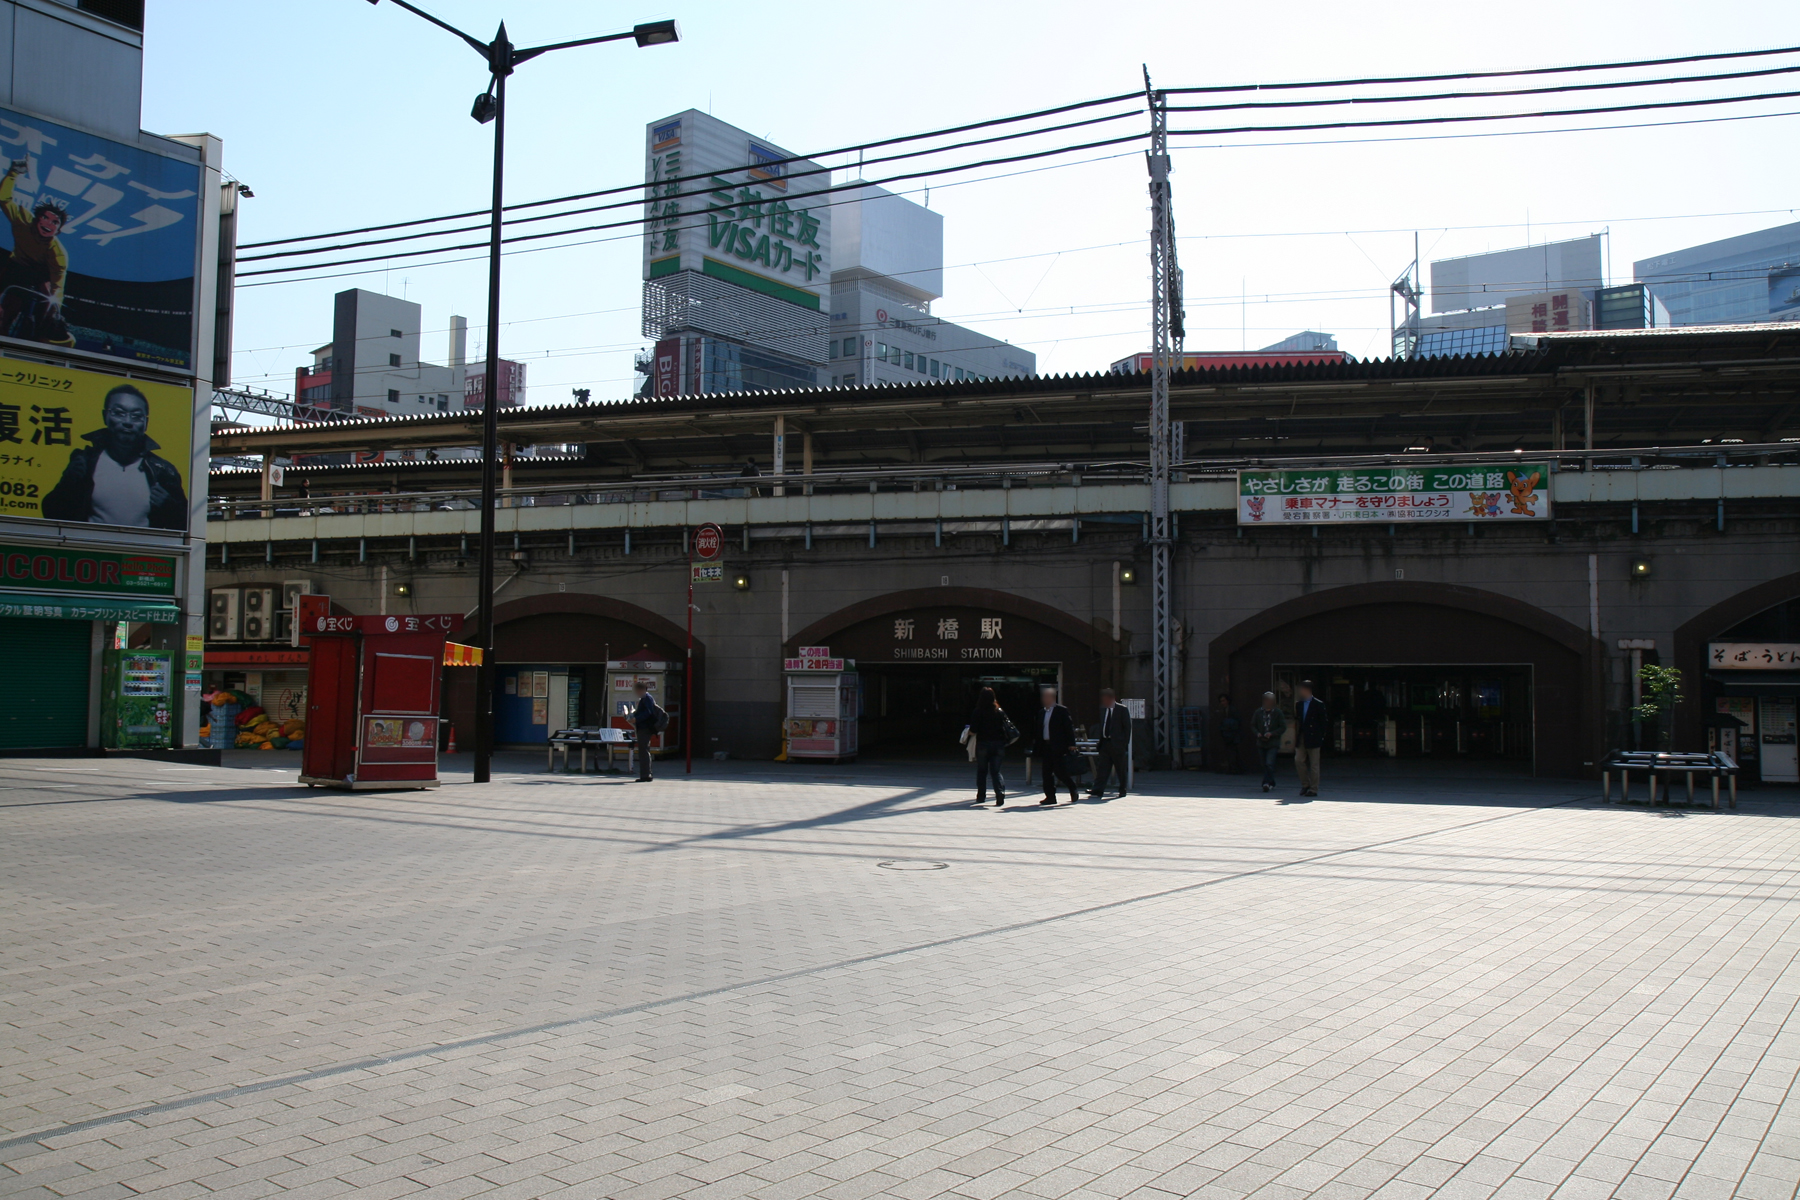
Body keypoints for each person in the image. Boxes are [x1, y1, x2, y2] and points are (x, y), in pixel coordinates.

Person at [42, 383, 188, 529]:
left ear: (146, 422)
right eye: (119, 413)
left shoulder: (163, 470)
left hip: (143, 550)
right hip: (88, 547)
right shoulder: (85, 462)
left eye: (136, 416)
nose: (127, 422)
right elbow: (51, 513)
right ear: (105, 416)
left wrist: (170, 506)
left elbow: (186, 524)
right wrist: (68, 484)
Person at [0, 159, 72, 346]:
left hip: (41, 273)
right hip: (18, 265)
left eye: (54, 222)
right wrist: (13, 174)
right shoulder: (22, 219)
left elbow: (58, 286)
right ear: (36, 219)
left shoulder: (58, 253)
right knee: (9, 305)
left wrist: (55, 309)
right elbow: (4, 199)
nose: (48, 224)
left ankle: (43, 333)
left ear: (58, 230)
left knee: (48, 297)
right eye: (45, 218)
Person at [964, 686, 1013, 807]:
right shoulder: (999, 711)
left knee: (982, 771)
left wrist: (966, 732)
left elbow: (974, 730)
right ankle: (1000, 793)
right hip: (998, 744)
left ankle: (981, 796)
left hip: (983, 744)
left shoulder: (977, 711)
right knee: (996, 771)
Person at [1033, 685, 1080, 806]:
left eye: (1047, 696)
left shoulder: (1061, 710)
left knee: (1060, 771)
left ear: (1053, 698)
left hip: (1059, 746)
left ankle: (1072, 788)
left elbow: (1068, 728)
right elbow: (1039, 729)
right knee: (1046, 772)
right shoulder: (1041, 712)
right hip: (1046, 746)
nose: (1045, 699)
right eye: (1043, 697)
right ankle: (1050, 796)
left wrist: (1071, 744)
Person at [1089, 688, 1132, 800]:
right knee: (1102, 768)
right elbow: (1103, 725)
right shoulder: (1103, 710)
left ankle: (1122, 789)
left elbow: (1127, 728)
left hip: (1117, 744)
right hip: (1105, 743)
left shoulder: (1122, 710)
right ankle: (1098, 789)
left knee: (1120, 768)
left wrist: (1124, 743)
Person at [1294, 680, 1328, 797]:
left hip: (1314, 737)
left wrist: (1320, 737)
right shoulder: (1299, 704)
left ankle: (1313, 789)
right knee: (1298, 760)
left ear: (1307, 690)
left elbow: (1324, 723)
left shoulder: (1318, 704)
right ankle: (1305, 784)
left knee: (1314, 764)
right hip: (1302, 736)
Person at [1251, 691, 1287, 794]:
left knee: (1269, 763)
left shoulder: (1278, 713)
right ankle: (1271, 782)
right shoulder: (1258, 712)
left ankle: (1266, 783)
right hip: (1261, 742)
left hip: (1273, 742)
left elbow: (1283, 727)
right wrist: (1257, 733)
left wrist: (1272, 733)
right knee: (1264, 764)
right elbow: (1253, 725)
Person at [631, 680, 661, 782]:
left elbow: (648, 712)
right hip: (644, 727)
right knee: (644, 750)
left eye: (637, 690)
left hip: (645, 728)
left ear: (642, 689)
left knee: (643, 751)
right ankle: (646, 774)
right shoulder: (645, 698)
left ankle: (645, 775)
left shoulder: (647, 698)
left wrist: (637, 719)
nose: (636, 692)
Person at [1216, 693, 1243, 773]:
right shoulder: (1226, 710)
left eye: (1224, 701)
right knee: (1232, 751)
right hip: (1229, 734)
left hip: (1231, 734)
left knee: (1232, 751)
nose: (1222, 703)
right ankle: (1234, 767)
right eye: (1221, 701)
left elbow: (1236, 723)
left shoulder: (1232, 710)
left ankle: (1234, 768)